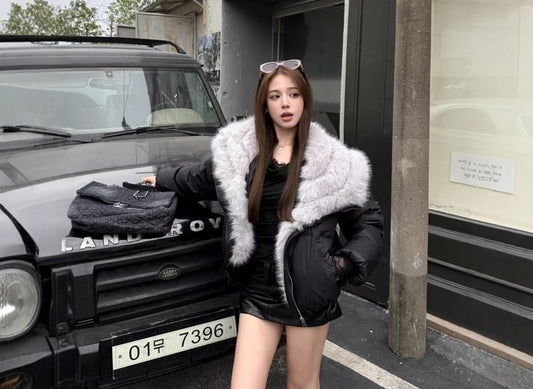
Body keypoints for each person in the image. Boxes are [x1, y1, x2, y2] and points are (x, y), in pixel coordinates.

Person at [142, 59, 383, 389]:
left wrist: (339, 266)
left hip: (307, 292)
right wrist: (160, 179)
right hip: (258, 289)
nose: (285, 103)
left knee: (301, 384)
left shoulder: (334, 162)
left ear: (305, 99)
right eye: (275, 96)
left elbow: (368, 222)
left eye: (293, 94)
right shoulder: (240, 153)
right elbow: (199, 178)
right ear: (264, 103)